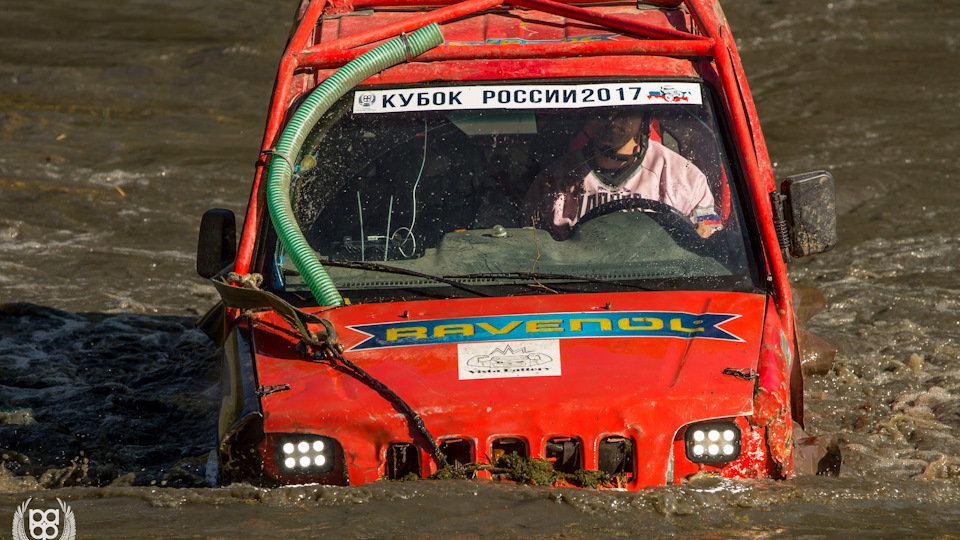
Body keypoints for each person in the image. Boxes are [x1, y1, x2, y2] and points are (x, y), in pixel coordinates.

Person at [525, 109, 722, 241]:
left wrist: (702, 232)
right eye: (603, 110)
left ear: (644, 118)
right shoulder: (552, 182)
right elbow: (533, 248)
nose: (612, 119)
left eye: (624, 110)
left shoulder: (685, 177)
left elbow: (710, 227)